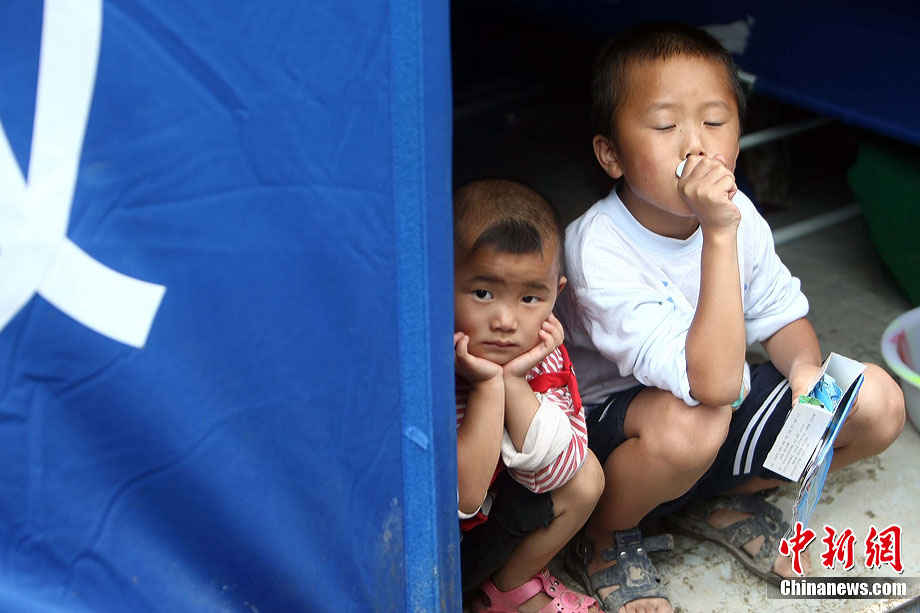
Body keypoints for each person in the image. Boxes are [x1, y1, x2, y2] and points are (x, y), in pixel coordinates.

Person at [554, 22, 906, 613]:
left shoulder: (738, 210)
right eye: (665, 126)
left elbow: (780, 315)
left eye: (714, 122)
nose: (695, 146)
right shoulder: (598, 249)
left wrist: (804, 371)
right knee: (696, 421)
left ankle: (724, 500)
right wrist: (718, 233)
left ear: (739, 138)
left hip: (717, 409)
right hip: (622, 437)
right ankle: (606, 536)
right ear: (611, 154)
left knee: (875, 400)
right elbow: (709, 386)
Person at [454, 179, 605, 613]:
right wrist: (487, 386)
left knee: (586, 476)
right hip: (436, 554)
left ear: (557, 293)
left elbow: (560, 471)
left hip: (487, 538)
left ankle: (506, 588)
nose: (505, 320)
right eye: (483, 293)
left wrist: (515, 383)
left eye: (529, 297)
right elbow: (462, 497)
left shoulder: (541, 354)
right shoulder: (429, 364)